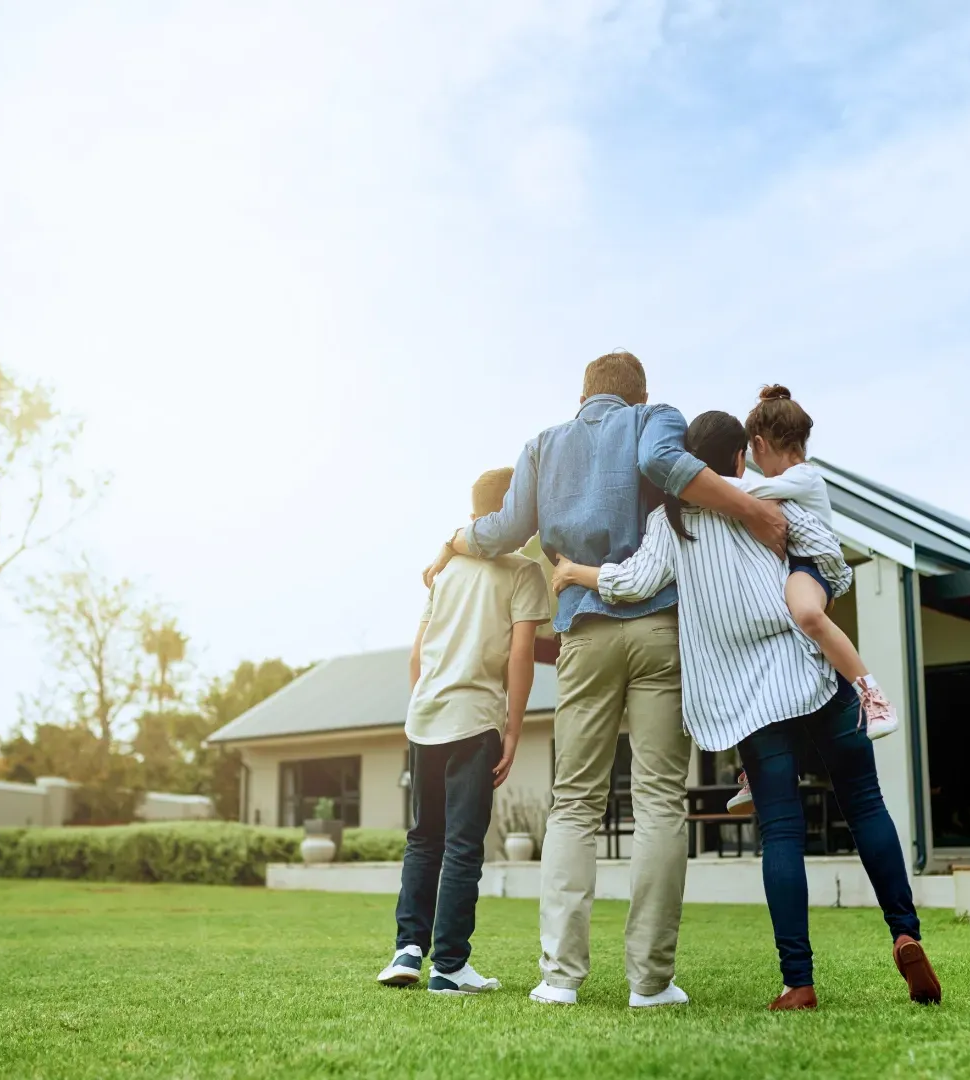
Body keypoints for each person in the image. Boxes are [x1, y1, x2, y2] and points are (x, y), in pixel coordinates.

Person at [422, 351, 787, 1008]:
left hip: (583, 632)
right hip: (658, 632)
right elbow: (663, 466)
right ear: (639, 393)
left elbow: (505, 530)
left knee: (574, 804)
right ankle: (650, 983)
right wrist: (751, 510)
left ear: (582, 396)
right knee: (658, 803)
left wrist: (456, 537)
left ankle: (559, 978)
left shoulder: (543, 445)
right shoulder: (655, 418)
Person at [553, 410, 941, 1011]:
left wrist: (574, 571)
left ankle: (799, 982)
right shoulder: (763, 499)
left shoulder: (670, 521)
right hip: (811, 674)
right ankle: (905, 932)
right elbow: (827, 559)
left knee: (781, 832)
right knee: (865, 804)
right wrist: (812, 584)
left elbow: (631, 582)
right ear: (741, 458)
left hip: (749, 704)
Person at [378, 467, 551, 995]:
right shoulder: (523, 572)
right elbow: (522, 653)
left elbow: (416, 653)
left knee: (423, 838)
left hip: (425, 718)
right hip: (474, 721)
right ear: (512, 514)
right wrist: (514, 729)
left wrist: (423, 705)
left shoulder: (445, 570)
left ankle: (408, 950)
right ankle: (449, 965)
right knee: (461, 845)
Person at [715, 385, 898, 815]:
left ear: (758, 444)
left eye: (752, 453)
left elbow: (746, 497)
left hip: (810, 569)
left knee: (806, 614)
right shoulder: (787, 479)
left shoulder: (803, 477)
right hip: (792, 570)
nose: (753, 464)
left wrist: (694, 483)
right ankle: (755, 770)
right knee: (772, 662)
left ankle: (872, 693)